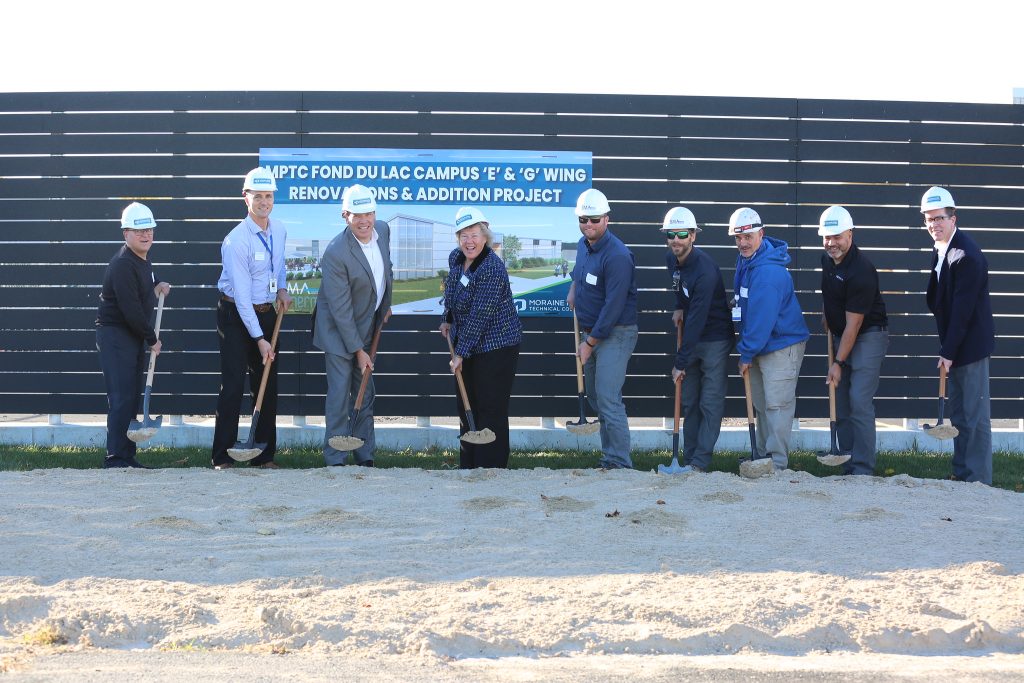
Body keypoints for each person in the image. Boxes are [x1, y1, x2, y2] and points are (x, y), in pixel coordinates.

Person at [211, 167, 292, 470]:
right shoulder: (236, 241)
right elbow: (243, 298)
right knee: (232, 385)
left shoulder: (279, 230)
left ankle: (263, 455)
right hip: (235, 315)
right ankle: (223, 456)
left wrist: (281, 288)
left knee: (266, 385)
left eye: (268, 196)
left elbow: (279, 265)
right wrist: (259, 339)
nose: (263, 202)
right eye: (257, 196)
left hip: (267, 312)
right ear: (246, 198)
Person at [313, 185, 393, 467]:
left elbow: (386, 270)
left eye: (369, 213)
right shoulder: (336, 252)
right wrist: (359, 351)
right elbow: (341, 311)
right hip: (337, 330)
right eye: (357, 215)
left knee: (365, 391)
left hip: (367, 324)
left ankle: (364, 455)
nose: (364, 220)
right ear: (345, 216)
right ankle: (335, 458)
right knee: (339, 394)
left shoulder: (383, 230)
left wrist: (385, 304)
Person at [439, 207, 522, 468]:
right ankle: (469, 466)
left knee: (490, 409)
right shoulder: (457, 258)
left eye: (474, 235)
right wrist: (447, 317)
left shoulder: (492, 268)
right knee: (467, 407)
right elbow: (452, 292)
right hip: (469, 344)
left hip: (496, 347)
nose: (469, 241)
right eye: (463, 235)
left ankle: (490, 469)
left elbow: (479, 316)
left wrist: (460, 354)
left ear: (485, 236)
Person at [921, 186, 994, 485]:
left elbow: (963, 312)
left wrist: (948, 351)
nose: (934, 224)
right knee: (960, 415)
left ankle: (978, 481)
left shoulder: (966, 255)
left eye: (940, 218)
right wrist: (949, 348)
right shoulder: (942, 249)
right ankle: (963, 474)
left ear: (954, 218)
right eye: (929, 219)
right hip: (955, 342)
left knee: (974, 417)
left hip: (970, 346)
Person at [730, 207, 809, 471]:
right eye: (738, 238)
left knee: (777, 406)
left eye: (748, 237)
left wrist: (746, 353)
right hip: (761, 344)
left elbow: (762, 320)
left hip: (780, 344)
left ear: (761, 234)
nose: (742, 243)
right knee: (763, 404)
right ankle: (763, 457)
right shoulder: (747, 261)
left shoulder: (767, 273)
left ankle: (776, 463)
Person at [566, 188, 639, 469]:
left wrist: (589, 343)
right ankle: (610, 456)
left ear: (606, 219)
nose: (588, 224)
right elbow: (579, 273)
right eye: (583, 219)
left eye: (594, 219)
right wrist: (574, 288)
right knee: (597, 397)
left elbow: (613, 307)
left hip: (615, 333)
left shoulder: (618, 255)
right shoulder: (583, 245)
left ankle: (619, 461)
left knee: (608, 398)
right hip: (592, 332)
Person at [96, 203, 171, 469]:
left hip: (131, 335)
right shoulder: (122, 264)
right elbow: (131, 310)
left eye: (149, 230)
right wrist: (152, 339)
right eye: (139, 231)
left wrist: (157, 283)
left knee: (131, 396)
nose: (145, 235)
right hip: (116, 336)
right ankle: (115, 457)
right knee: (121, 398)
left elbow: (147, 277)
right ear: (125, 233)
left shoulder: (141, 258)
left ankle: (127, 456)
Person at [818, 206, 889, 476]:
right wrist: (827, 313)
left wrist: (838, 362)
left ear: (850, 234)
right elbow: (830, 292)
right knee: (842, 402)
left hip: (868, 335)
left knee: (859, 400)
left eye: (837, 236)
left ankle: (862, 468)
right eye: (827, 237)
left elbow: (854, 324)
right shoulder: (827, 260)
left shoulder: (861, 271)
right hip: (842, 332)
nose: (831, 243)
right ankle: (846, 459)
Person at [662, 207, 734, 474]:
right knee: (690, 400)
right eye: (671, 234)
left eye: (682, 234)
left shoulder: (705, 270)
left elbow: (698, 319)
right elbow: (680, 288)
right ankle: (689, 458)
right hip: (692, 336)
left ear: (693, 235)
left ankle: (700, 462)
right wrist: (679, 306)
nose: (676, 239)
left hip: (714, 339)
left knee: (710, 402)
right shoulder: (671, 259)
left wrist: (680, 362)